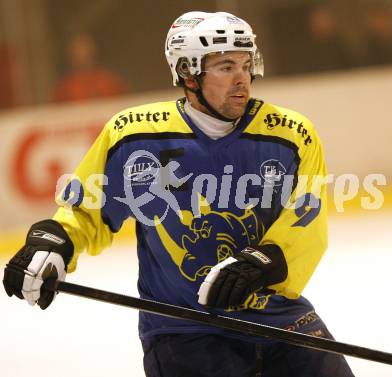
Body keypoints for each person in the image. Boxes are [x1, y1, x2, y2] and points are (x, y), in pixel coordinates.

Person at [3, 11, 355, 377]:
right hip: (185, 329)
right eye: (225, 66)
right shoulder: (134, 136)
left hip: (281, 320)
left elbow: (306, 219)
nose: (242, 78)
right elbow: (88, 211)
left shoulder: (292, 135)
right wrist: (57, 241)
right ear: (189, 73)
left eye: (246, 63)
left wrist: (266, 261)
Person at [51, 33, 128, 103]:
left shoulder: (110, 81)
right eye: (78, 49)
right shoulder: (65, 87)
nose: (82, 53)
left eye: (84, 47)